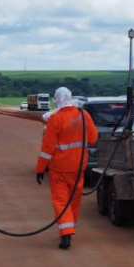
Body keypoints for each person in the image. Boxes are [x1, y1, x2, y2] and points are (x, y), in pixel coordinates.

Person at [35, 87, 98, 250]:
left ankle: (66, 234)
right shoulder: (84, 115)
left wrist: (40, 169)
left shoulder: (55, 119)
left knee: (61, 200)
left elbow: (47, 147)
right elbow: (93, 138)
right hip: (78, 167)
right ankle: (70, 228)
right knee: (74, 200)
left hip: (59, 168)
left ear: (56, 100)